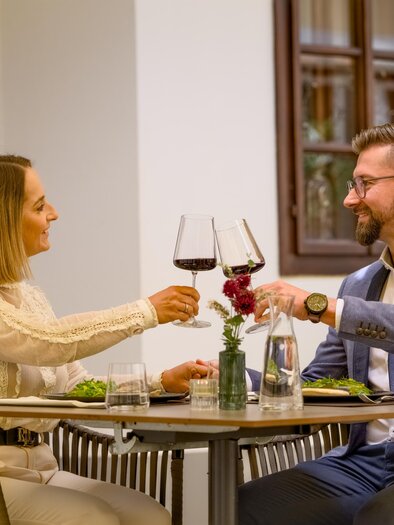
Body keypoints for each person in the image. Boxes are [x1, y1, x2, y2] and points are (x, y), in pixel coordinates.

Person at [0, 155, 207, 525]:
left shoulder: (29, 296)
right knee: (94, 518)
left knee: (152, 515)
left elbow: (78, 384)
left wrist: (161, 382)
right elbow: (50, 341)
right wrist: (146, 312)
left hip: (43, 468)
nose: (54, 213)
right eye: (39, 205)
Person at [239, 122, 394, 525]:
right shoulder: (359, 284)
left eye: (363, 184)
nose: (348, 200)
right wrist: (242, 380)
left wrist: (315, 305)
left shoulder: (342, 300)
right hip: (365, 462)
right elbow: (320, 385)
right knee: (245, 503)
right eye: (350, 184)